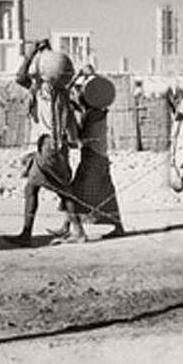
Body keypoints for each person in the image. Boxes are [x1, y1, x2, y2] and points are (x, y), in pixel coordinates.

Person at [4, 41, 86, 246]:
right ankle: (72, 230)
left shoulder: (44, 90)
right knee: (49, 188)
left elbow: (19, 77)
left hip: (48, 146)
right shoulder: (61, 91)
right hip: (55, 145)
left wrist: (31, 54)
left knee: (48, 189)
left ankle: (32, 233)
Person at [48, 66, 125, 242]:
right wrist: (89, 76)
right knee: (106, 195)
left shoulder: (92, 115)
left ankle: (75, 230)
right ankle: (116, 227)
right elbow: (98, 89)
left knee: (75, 193)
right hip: (99, 157)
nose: (79, 94)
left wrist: (77, 79)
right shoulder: (99, 111)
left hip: (93, 158)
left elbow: (79, 136)